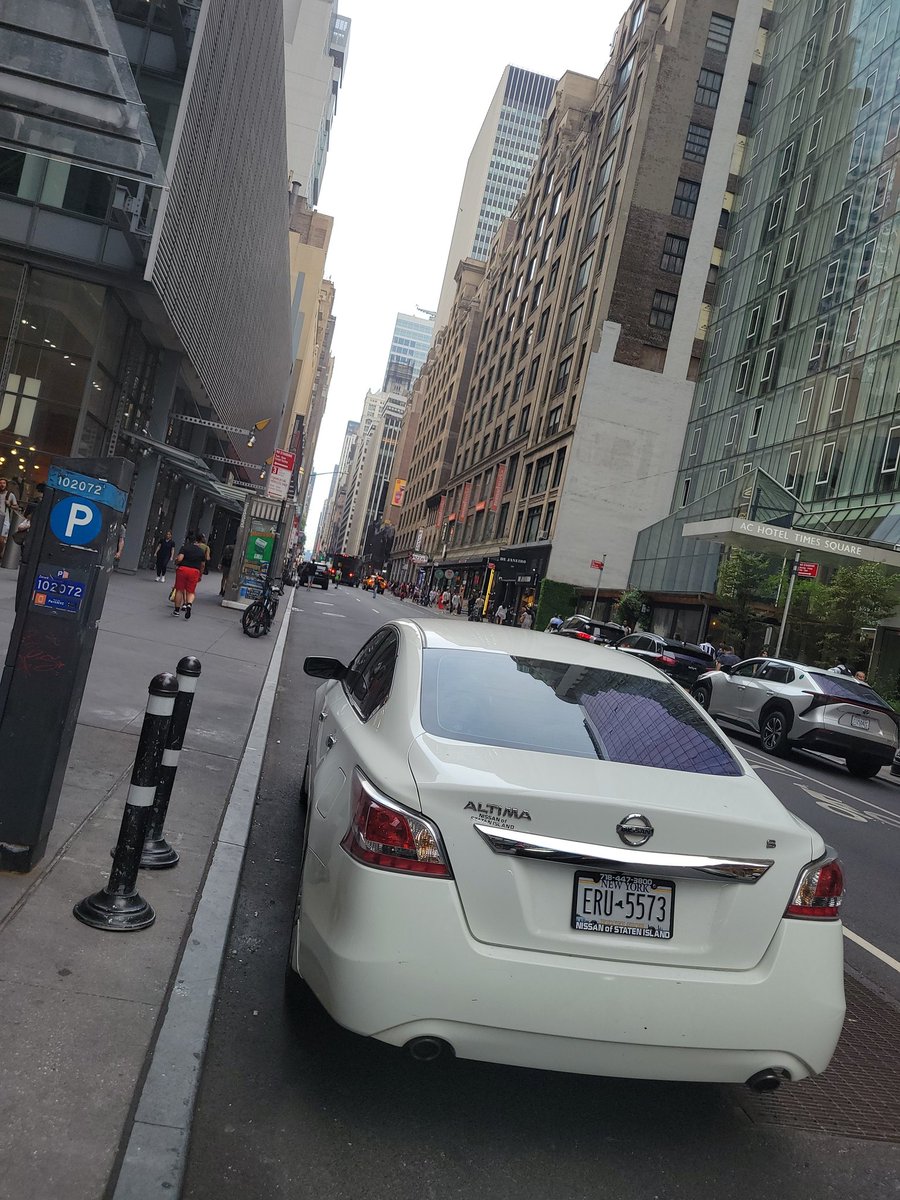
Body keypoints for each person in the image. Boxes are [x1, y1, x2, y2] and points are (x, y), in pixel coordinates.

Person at [173, 532, 206, 619]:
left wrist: (176, 562)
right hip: (194, 571)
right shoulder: (201, 552)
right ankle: (189, 605)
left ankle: (176, 611)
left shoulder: (185, 548)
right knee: (190, 591)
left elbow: (180, 559)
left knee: (179, 590)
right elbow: (203, 565)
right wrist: (200, 575)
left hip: (183, 569)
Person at [0, 477, 19, 560]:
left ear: (6, 485)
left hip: (5, 518)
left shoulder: (10, 495)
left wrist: (9, 505)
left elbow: (16, 507)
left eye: (3, 483)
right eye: (0, 483)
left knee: (1, 539)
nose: (2, 485)